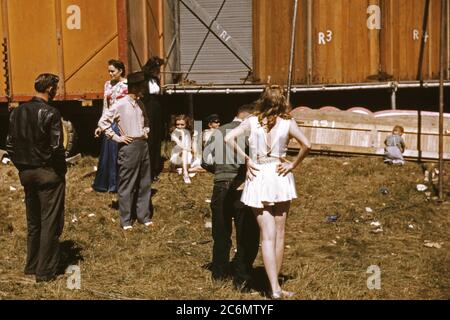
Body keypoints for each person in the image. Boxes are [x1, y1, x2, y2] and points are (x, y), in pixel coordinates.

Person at [225, 85, 311, 299]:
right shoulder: (288, 121)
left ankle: (274, 288)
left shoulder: (252, 121)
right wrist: (293, 165)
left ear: (262, 100)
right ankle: (275, 287)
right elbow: (306, 144)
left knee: (268, 236)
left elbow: (228, 139)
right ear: (283, 101)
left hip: (259, 174)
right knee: (279, 234)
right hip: (280, 173)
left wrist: (246, 159)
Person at [6, 73, 66, 282]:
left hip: (26, 173)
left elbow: (10, 145)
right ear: (49, 89)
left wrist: (22, 167)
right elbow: (57, 147)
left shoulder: (17, 112)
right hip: (47, 173)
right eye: (55, 88)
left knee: (34, 222)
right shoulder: (51, 112)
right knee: (50, 222)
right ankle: (45, 272)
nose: (56, 92)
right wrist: (59, 171)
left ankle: (31, 266)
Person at [203, 104, 260, 292]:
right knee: (246, 233)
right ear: (248, 116)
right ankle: (242, 278)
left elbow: (205, 160)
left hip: (220, 186)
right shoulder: (249, 130)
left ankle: (219, 274)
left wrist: (219, 170)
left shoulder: (218, 131)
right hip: (243, 186)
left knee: (221, 233)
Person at [98, 71, 152, 230]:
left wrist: (146, 130)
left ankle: (144, 216)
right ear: (135, 87)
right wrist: (116, 138)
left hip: (143, 145)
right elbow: (103, 122)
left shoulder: (141, 104)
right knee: (127, 184)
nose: (145, 89)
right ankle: (126, 220)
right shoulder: (120, 104)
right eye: (142, 86)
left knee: (144, 183)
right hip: (128, 147)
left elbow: (146, 120)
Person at [91, 59, 128, 192]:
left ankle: (117, 184)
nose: (110, 74)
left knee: (118, 154)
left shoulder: (127, 85)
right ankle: (105, 183)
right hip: (109, 122)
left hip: (122, 122)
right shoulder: (107, 84)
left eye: (112, 71)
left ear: (120, 71)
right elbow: (105, 106)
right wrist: (100, 125)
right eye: (109, 71)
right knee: (107, 154)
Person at [142, 56, 165, 182]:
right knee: (150, 139)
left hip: (157, 108)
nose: (159, 70)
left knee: (157, 137)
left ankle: (155, 168)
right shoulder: (144, 79)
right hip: (148, 108)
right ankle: (148, 171)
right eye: (157, 68)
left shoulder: (156, 79)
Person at [169, 114, 202, 184]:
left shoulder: (193, 133)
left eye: (182, 124)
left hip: (188, 154)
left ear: (187, 124)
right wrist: (182, 133)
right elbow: (181, 145)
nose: (179, 126)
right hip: (178, 154)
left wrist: (194, 154)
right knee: (184, 151)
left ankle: (185, 170)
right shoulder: (174, 133)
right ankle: (185, 174)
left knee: (200, 164)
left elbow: (194, 144)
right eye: (177, 124)